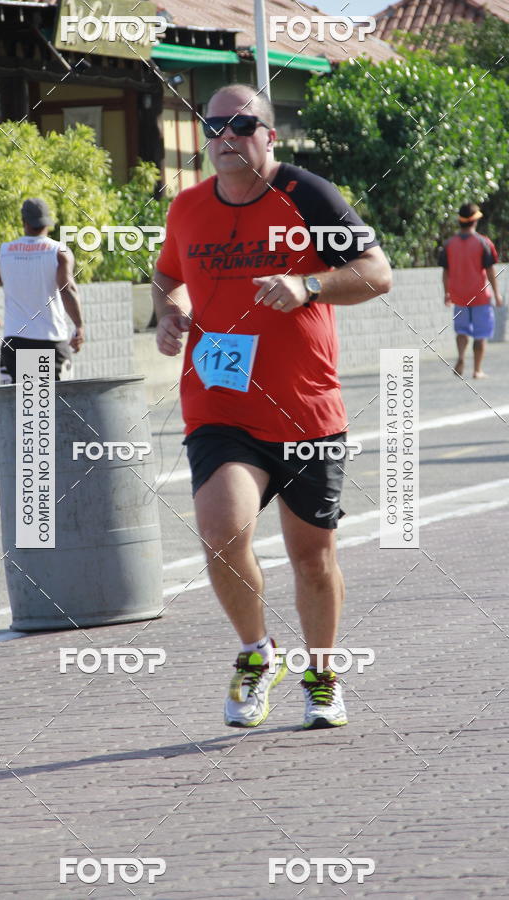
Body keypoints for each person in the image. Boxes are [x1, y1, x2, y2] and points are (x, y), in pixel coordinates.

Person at [152, 84, 392, 730]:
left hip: (305, 410)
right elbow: (168, 275)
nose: (226, 135)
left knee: (311, 556)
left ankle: (322, 674)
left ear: (269, 135)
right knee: (222, 531)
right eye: (214, 125)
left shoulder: (309, 196)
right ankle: (257, 653)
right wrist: (169, 313)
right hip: (220, 405)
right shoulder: (187, 208)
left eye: (241, 123)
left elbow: (377, 272)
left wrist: (308, 284)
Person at [0, 198, 84, 382]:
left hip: (15, 342)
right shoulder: (59, 251)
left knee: (21, 408)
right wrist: (79, 325)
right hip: (51, 341)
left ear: (24, 221)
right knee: (57, 407)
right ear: (48, 223)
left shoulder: (3, 252)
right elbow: (67, 290)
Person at [439, 202, 502, 378]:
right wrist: (497, 294)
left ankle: (460, 357)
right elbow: (490, 271)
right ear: (475, 221)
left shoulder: (449, 244)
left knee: (462, 331)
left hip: (459, 296)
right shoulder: (483, 242)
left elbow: (446, 272)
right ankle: (477, 369)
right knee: (480, 334)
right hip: (480, 296)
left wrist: (447, 293)